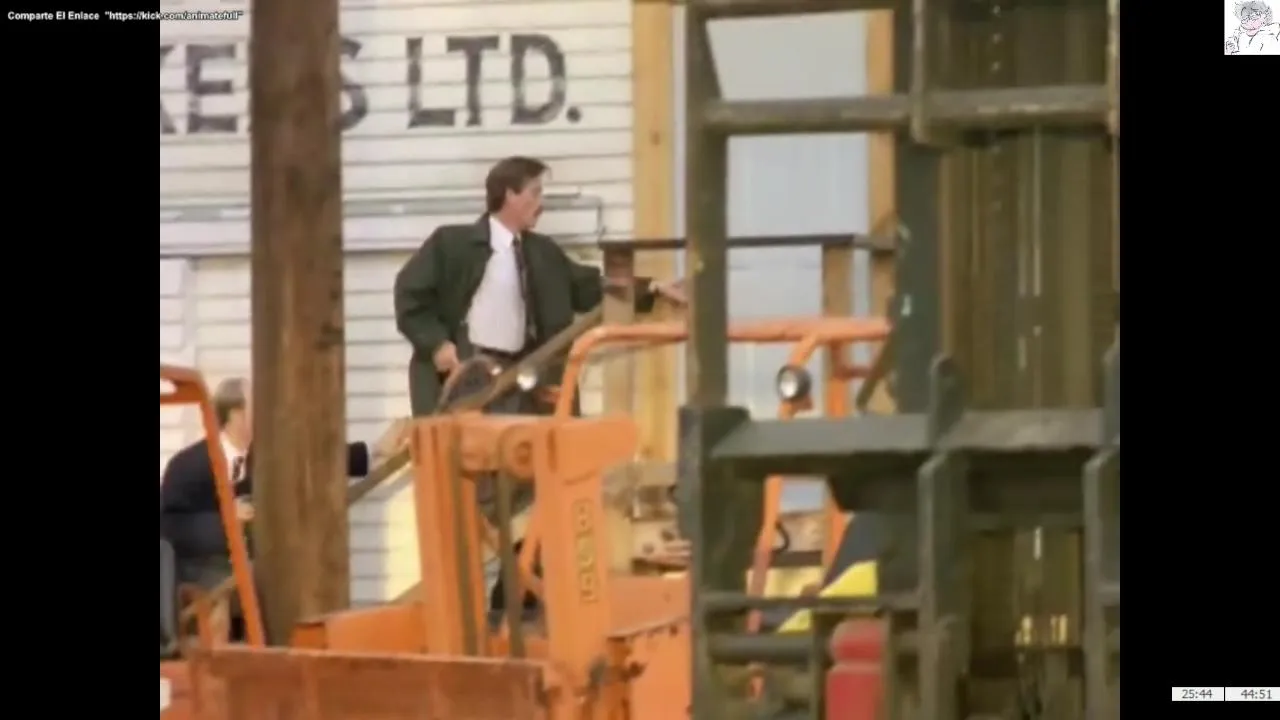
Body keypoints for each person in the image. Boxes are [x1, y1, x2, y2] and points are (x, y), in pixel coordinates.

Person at [393, 155, 684, 417]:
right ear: (510, 194)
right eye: (535, 192)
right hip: (468, 382)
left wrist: (651, 289)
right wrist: (437, 344)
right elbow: (410, 295)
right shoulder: (451, 244)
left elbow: (590, 288)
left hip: (525, 383)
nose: (541, 204)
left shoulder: (544, 253)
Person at [159, 377, 403, 636]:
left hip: (253, 563)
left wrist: (376, 451)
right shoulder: (188, 465)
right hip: (200, 566)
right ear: (236, 414)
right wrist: (225, 520)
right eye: (257, 405)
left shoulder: (265, 455)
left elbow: (313, 459)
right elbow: (169, 525)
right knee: (219, 602)